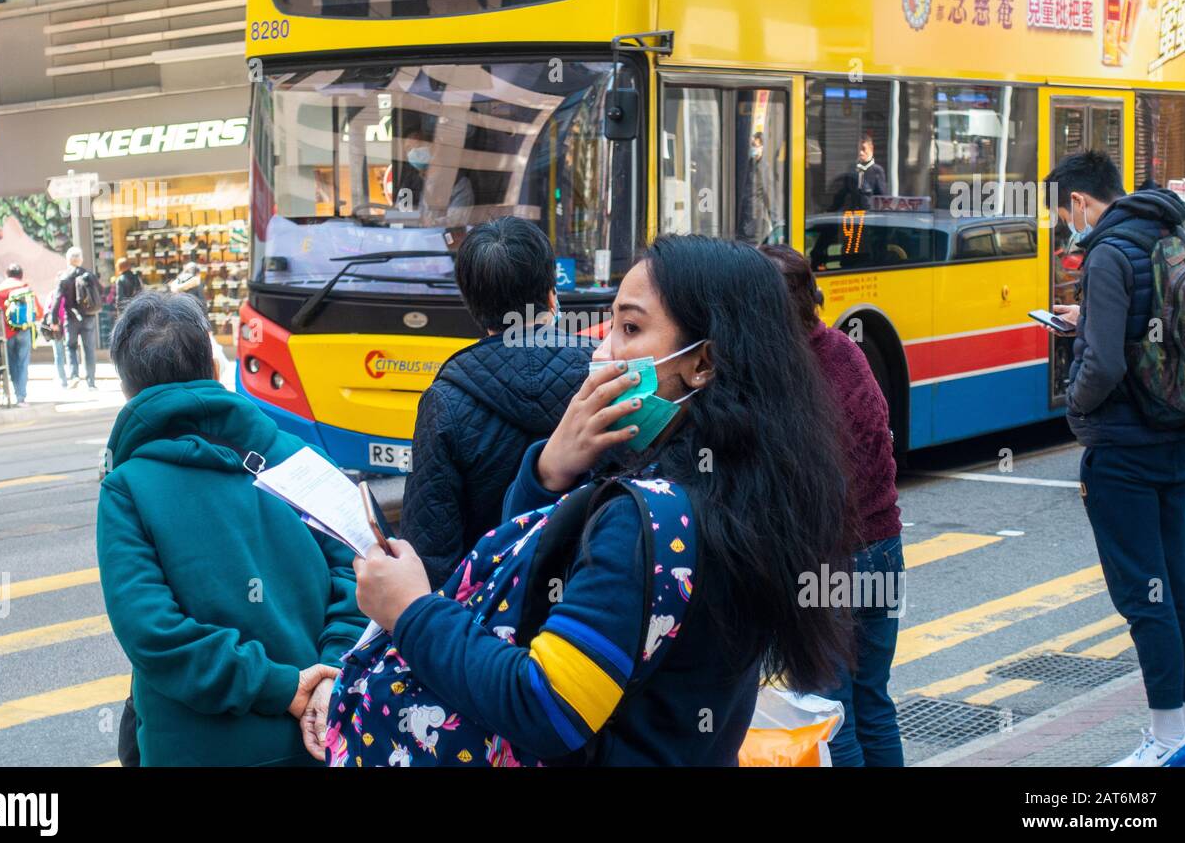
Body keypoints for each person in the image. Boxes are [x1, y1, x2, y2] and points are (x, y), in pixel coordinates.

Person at [340, 234, 854, 765]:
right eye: (610, 325)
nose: (603, 350)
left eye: (630, 328)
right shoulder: (741, 481)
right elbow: (534, 587)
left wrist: (410, 611)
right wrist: (547, 473)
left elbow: (545, 704)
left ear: (703, 362)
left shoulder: (651, 517)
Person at [97, 291, 367, 765]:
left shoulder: (126, 489)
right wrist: (329, 676)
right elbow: (362, 575)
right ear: (214, 366)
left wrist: (281, 687)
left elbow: (153, 633)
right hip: (320, 739)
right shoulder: (306, 460)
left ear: (128, 391)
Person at [1047, 150, 1185, 767]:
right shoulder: (1167, 232)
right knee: (1177, 584)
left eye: (1066, 214)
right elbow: (1152, 323)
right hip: (1172, 434)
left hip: (1122, 446)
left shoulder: (1106, 254)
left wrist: (1076, 405)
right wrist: (1087, 319)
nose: (1069, 227)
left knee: (1145, 597)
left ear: (1082, 203)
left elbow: (1108, 364)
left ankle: (1165, 740)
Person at [761, 244, 904, 767]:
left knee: (828, 710)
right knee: (873, 701)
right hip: (885, 547)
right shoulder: (847, 350)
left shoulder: (784, 374)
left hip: (830, 559)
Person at [402, 217, 591, 588]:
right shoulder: (605, 377)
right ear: (552, 293)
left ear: (471, 303)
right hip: (589, 608)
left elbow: (430, 555)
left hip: (486, 621)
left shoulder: (445, 400)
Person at [0, 264, 43, 407]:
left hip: (6, 333)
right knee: (23, 362)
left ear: (6, 274)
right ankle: (21, 396)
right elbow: (38, 310)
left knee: (11, 363)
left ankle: (15, 393)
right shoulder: (25, 288)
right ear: (21, 275)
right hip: (24, 330)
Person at [57, 247, 102, 389]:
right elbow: (100, 291)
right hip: (87, 316)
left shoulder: (64, 277)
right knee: (89, 349)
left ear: (68, 260)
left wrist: (53, 319)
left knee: (70, 347)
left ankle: (74, 375)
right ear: (81, 259)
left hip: (70, 317)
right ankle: (91, 382)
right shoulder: (88, 275)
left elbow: (57, 300)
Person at [832, 134, 887, 211]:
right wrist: (832, 209)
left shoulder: (877, 170)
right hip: (854, 214)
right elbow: (843, 192)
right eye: (858, 149)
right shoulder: (852, 168)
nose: (861, 153)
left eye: (863, 149)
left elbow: (882, 196)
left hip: (869, 214)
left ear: (871, 149)